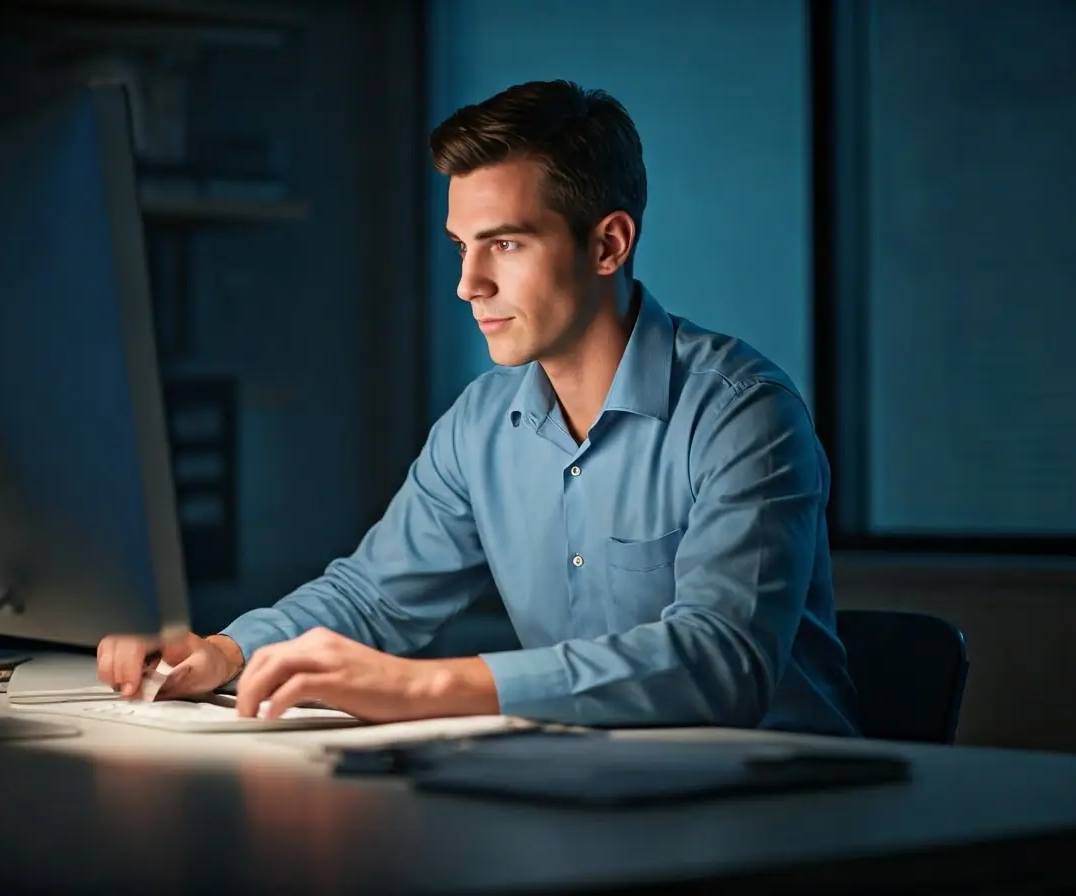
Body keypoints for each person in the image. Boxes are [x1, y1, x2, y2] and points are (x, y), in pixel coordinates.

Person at [97, 80, 860, 736]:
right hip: (601, 792)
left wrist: (424, 688)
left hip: (789, 807)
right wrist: (225, 653)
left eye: (506, 245)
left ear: (608, 245)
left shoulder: (744, 415)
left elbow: (722, 664)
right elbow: (372, 596)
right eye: (462, 245)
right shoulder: (481, 424)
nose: (469, 284)